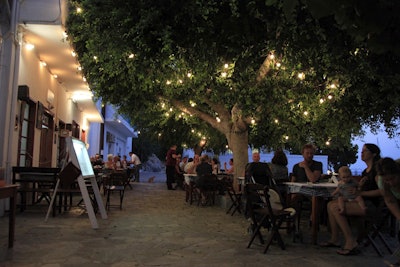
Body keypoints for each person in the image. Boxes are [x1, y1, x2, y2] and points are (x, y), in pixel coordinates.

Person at [322, 143, 382, 256]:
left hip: (370, 205)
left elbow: (382, 192)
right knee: (330, 204)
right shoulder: (365, 172)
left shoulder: (376, 171)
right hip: (358, 201)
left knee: (335, 207)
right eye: (362, 150)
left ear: (374, 154)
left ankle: (351, 241)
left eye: (365, 151)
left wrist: (361, 192)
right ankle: (334, 239)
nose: (362, 153)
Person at [376, 157, 400, 267]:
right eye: (387, 180)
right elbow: (390, 201)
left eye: (393, 178)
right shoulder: (382, 181)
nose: (390, 183)